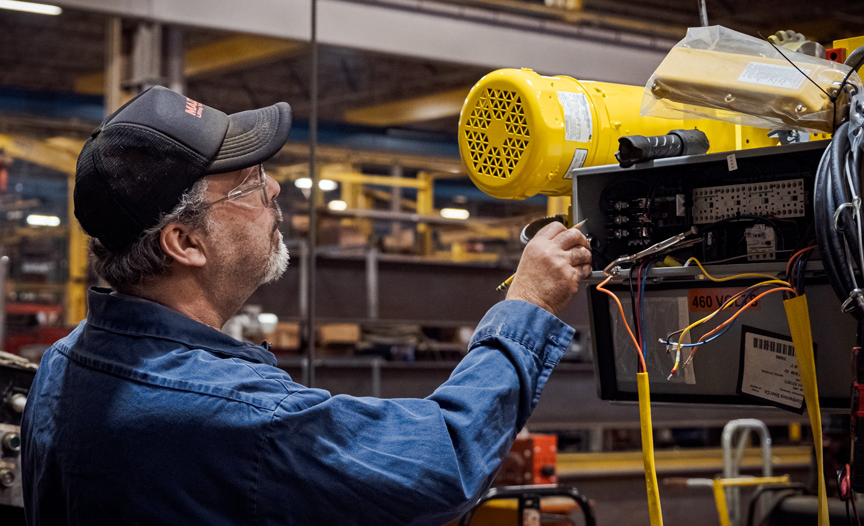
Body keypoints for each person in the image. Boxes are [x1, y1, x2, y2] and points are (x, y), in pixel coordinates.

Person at [21, 86, 592, 525]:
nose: (272, 191)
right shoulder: (235, 414)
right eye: (247, 184)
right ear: (185, 243)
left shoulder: (65, 363)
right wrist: (530, 303)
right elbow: (445, 458)